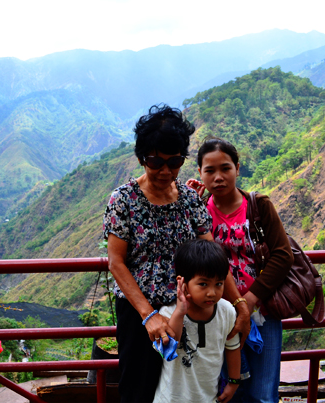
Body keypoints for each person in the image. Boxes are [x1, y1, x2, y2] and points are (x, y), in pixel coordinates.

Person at [103, 105, 250, 403]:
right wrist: (149, 317)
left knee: (184, 392)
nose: (165, 171)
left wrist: (238, 304)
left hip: (191, 312)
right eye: (155, 161)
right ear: (142, 156)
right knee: (138, 391)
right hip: (140, 315)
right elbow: (116, 263)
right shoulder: (123, 200)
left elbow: (213, 259)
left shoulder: (189, 200)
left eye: (175, 162)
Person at [188, 138, 293, 403]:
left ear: (238, 167)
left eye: (225, 168)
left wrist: (250, 299)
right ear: (200, 172)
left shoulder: (258, 207)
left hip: (261, 312)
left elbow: (282, 255)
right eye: (209, 170)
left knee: (263, 393)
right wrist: (187, 203)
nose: (218, 177)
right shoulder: (198, 212)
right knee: (225, 392)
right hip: (214, 316)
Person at [153, 239, 241, 403]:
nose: (212, 293)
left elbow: (233, 347)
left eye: (218, 284)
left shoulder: (226, 311)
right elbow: (168, 350)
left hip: (209, 397)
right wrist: (180, 312)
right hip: (171, 399)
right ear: (183, 282)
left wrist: (234, 381)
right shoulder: (168, 313)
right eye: (203, 284)